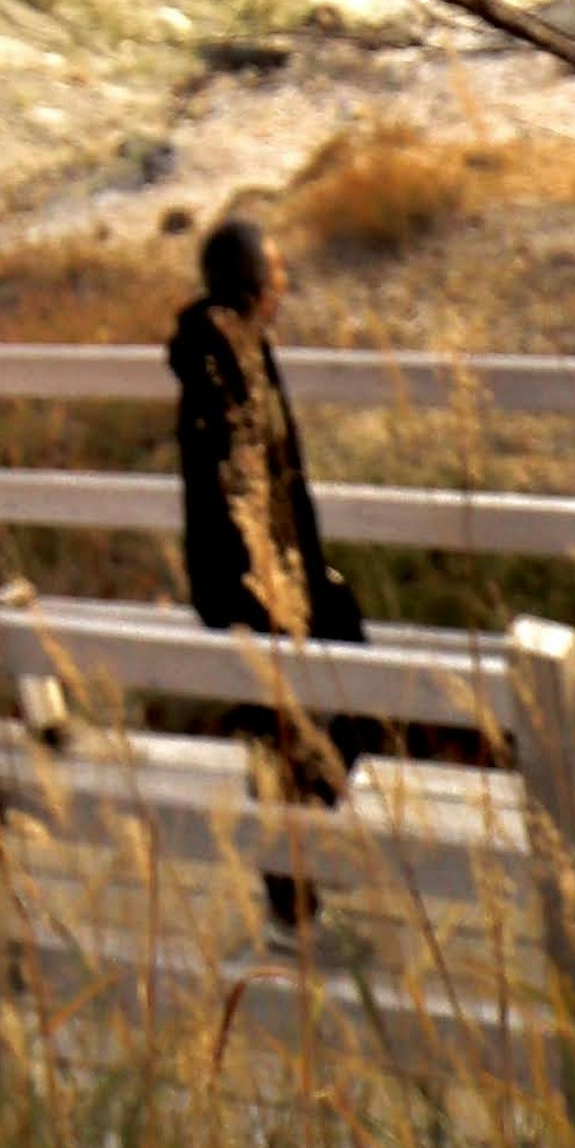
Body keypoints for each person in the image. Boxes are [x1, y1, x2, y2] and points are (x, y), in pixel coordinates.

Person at [168, 209, 373, 903]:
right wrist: (270, 583)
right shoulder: (218, 362)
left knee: (330, 701)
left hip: (282, 575)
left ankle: (300, 852)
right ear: (255, 284)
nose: (285, 282)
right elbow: (240, 488)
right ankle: (291, 886)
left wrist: (311, 575)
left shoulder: (244, 345)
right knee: (277, 728)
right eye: (277, 270)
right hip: (250, 583)